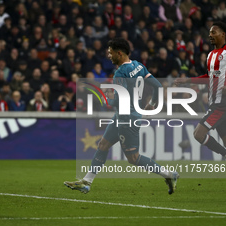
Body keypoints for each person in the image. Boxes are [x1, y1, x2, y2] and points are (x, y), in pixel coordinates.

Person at [64, 38, 179, 194]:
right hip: (124, 116)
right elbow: (158, 86)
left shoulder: (120, 73)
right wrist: (152, 103)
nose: (109, 56)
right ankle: (87, 182)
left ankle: (169, 174)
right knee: (103, 145)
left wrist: (106, 99)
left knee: (133, 158)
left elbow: (119, 100)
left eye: (111, 53)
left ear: (119, 53)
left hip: (128, 118)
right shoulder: (138, 65)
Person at [175, 21, 226, 158]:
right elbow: (208, 77)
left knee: (198, 133)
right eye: (209, 32)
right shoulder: (210, 55)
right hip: (214, 102)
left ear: (223, 34)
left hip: (221, 105)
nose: (210, 35)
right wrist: (189, 80)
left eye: (213, 32)